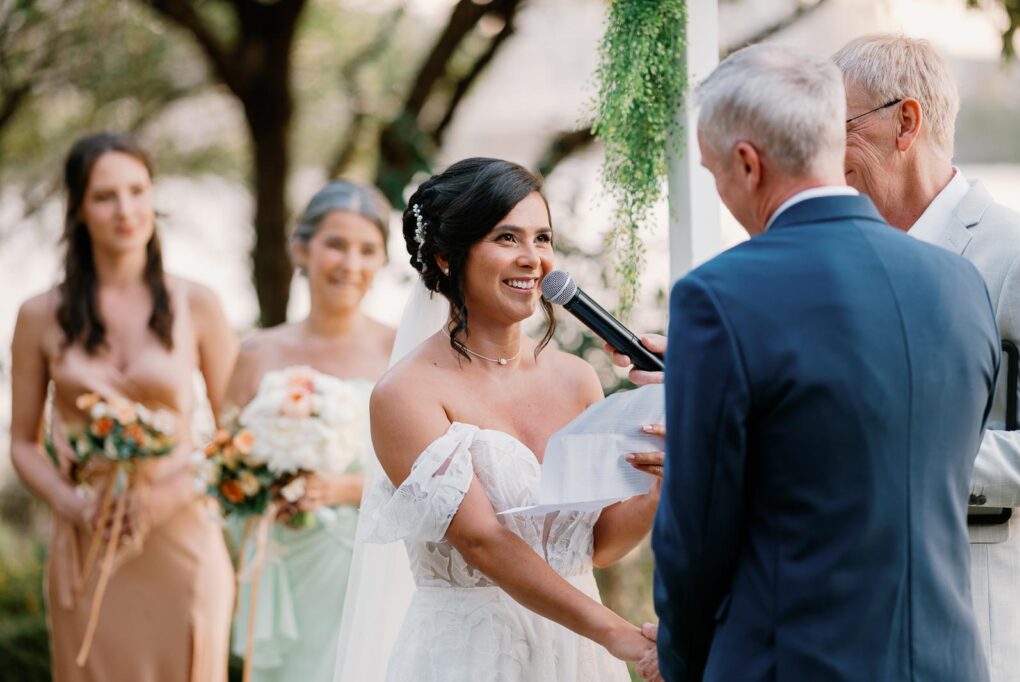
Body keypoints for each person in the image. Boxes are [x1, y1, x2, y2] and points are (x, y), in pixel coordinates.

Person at [652, 45, 998, 681]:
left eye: (713, 172)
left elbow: (695, 540)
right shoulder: (959, 283)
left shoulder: (718, 297)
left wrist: (682, 662)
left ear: (748, 164)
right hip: (947, 663)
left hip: (795, 662)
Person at [357, 157, 659, 681]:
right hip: (472, 656)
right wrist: (622, 636)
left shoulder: (577, 379)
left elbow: (597, 547)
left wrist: (662, 485)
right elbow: (483, 542)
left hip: (577, 653)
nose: (534, 259)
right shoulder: (405, 393)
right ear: (448, 258)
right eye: (507, 238)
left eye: (542, 238)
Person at [8, 131, 237, 681]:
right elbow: (21, 442)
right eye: (106, 196)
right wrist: (74, 503)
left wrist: (169, 493)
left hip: (182, 536)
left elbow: (235, 430)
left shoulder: (198, 304)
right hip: (90, 542)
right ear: (79, 209)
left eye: (138, 190)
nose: (126, 209)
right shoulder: (40, 315)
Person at [833, 34, 1020, 680]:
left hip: (978, 620)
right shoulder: (846, 259)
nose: (824, 157)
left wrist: (906, 455)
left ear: (905, 123)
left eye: (839, 128)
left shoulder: (1013, 254)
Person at [223, 180, 395, 682]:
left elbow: (432, 477)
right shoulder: (258, 352)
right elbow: (221, 462)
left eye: (367, 250)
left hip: (372, 565)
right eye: (335, 245)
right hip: (284, 564)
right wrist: (260, 488)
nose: (350, 263)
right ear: (302, 248)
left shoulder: (401, 350)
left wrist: (339, 489)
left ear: (383, 261)